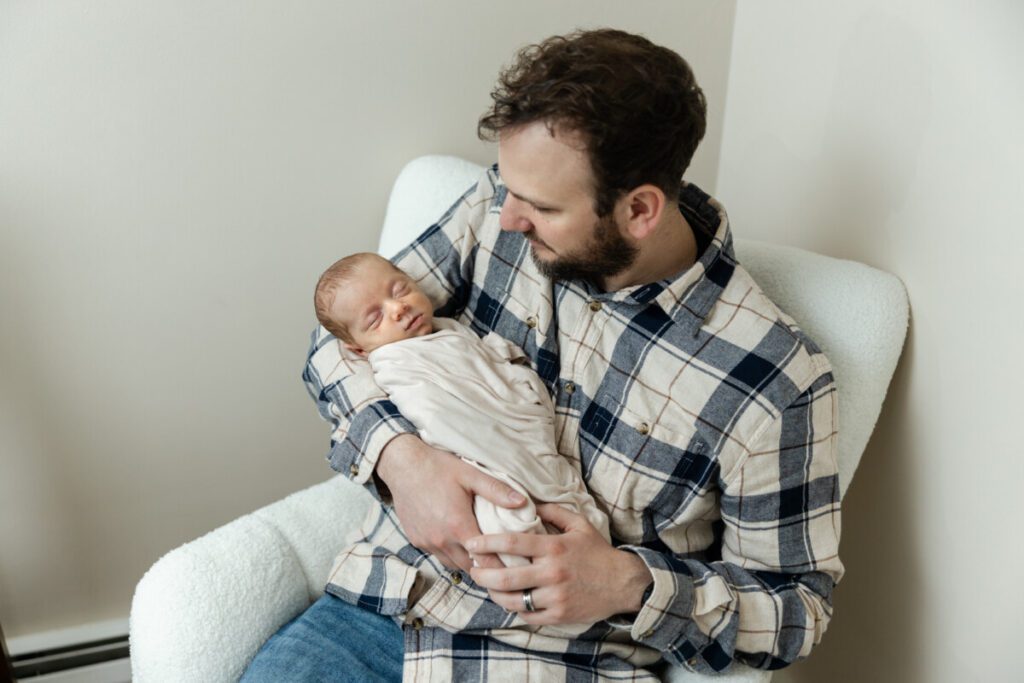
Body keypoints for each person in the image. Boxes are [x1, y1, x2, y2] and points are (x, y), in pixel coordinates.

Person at [245, 28, 843, 681]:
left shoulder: (774, 379)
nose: (508, 218)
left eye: (540, 206)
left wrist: (628, 583)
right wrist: (402, 459)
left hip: (554, 658)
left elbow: (795, 609)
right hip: (385, 612)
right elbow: (337, 342)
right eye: (509, 188)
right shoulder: (494, 206)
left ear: (640, 209)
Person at [311, 251, 610, 578]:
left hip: (523, 439)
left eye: (399, 290)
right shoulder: (395, 364)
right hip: (475, 462)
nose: (398, 308)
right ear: (359, 350)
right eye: (375, 319)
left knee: (562, 495)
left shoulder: (449, 330)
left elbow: (491, 370)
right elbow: (435, 413)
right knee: (508, 513)